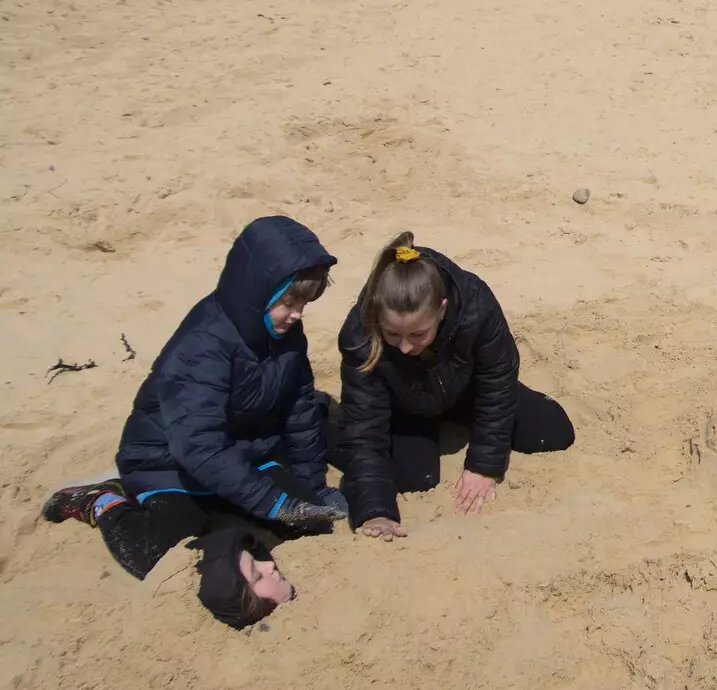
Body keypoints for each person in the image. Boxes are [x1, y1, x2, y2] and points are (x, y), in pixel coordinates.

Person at [40, 216, 346, 601]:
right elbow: (197, 445)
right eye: (289, 301)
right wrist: (275, 503)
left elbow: (299, 413)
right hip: (168, 461)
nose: (298, 313)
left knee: (311, 521)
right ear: (257, 289)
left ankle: (233, 506)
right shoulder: (204, 344)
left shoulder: (287, 336)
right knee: (165, 559)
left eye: (304, 302)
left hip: (247, 452)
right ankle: (103, 500)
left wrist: (310, 487)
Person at [333, 234, 576, 540]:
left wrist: (484, 467)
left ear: (442, 309)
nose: (406, 347)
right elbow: (365, 429)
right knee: (415, 479)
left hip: (465, 390)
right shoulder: (360, 333)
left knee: (553, 432)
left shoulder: (475, 303)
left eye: (418, 334)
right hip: (405, 409)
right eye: (393, 335)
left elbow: (497, 381)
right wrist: (375, 512)